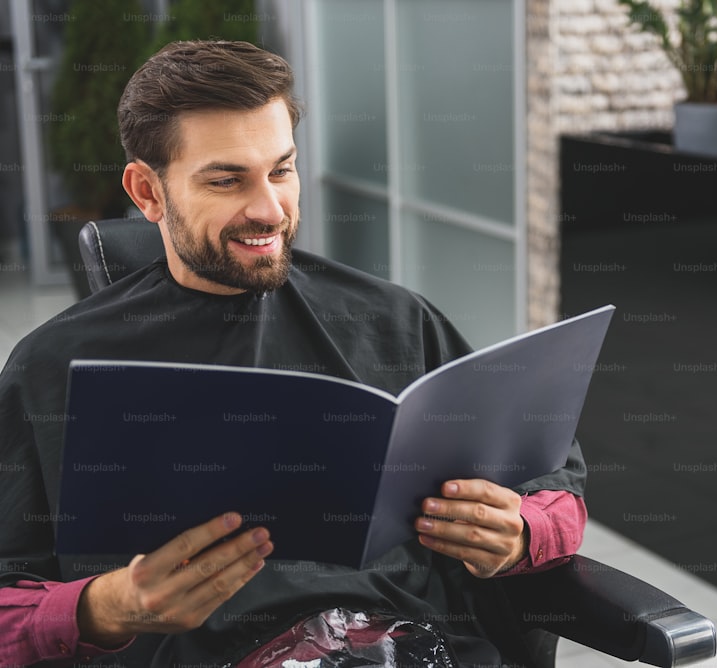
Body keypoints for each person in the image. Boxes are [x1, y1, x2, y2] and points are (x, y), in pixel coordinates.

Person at [0, 40, 587, 667]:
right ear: (148, 192)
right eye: (227, 180)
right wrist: (106, 606)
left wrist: (522, 532)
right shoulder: (53, 366)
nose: (269, 209)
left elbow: (555, 480)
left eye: (281, 169)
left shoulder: (391, 319)